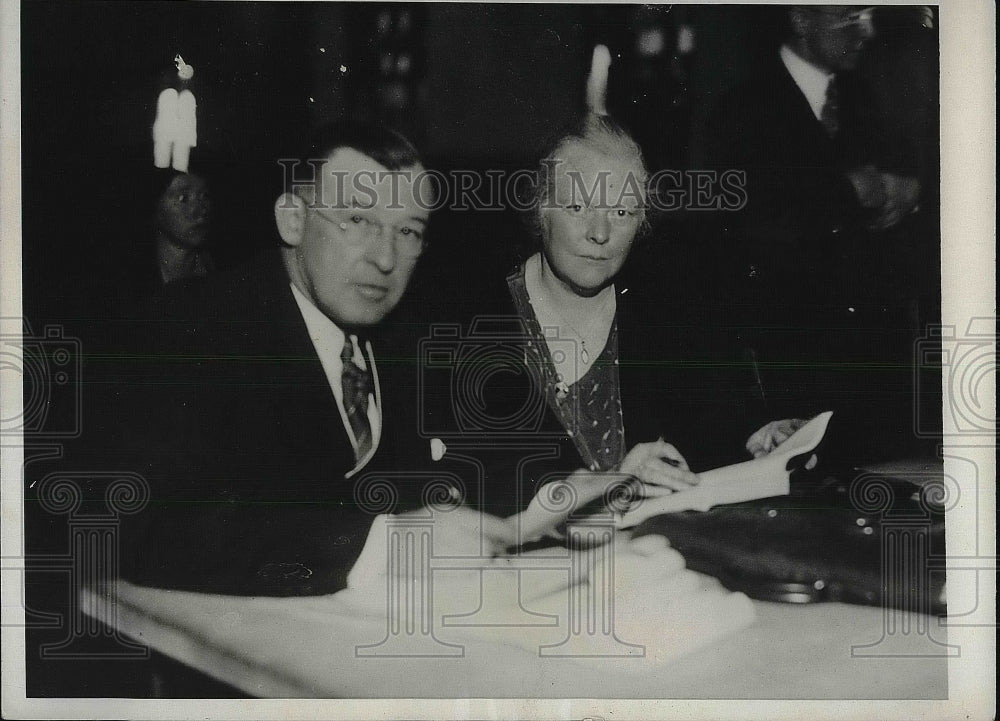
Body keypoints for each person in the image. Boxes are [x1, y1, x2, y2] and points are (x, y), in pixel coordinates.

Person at [107, 122, 510, 596]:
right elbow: (144, 529)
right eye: (357, 220)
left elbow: (469, 467)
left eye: (407, 230)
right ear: (292, 220)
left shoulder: (408, 336)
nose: (385, 258)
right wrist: (379, 543)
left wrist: (567, 494)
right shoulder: (195, 327)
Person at [420, 114, 807, 536]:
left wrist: (758, 437)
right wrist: (610, 482)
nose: (600, 233)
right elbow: (478, 484)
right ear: (541, 209)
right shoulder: (474, 323)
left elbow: (711, 426)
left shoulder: (663, 317)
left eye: (621, 212)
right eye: (577, 207)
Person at [688, 6, 925, 453]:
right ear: (801, 19)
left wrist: (911, 194)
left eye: (869, 14)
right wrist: (845, 191)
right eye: (850, 15)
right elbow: (744, 230)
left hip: (870, 374)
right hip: (787, 374)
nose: (867, 29)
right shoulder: (742, 107)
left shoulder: (867, 99)